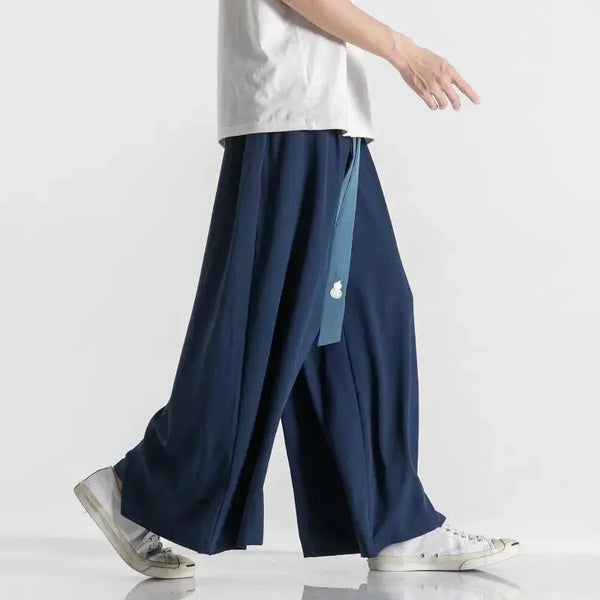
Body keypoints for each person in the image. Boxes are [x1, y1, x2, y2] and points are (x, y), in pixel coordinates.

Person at [74, 0, 520, 579]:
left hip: (323, 118)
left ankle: (394, 522)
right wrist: (404, 51)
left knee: (369, 316)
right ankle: (139, 488)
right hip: (294, 118)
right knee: (259, 330)